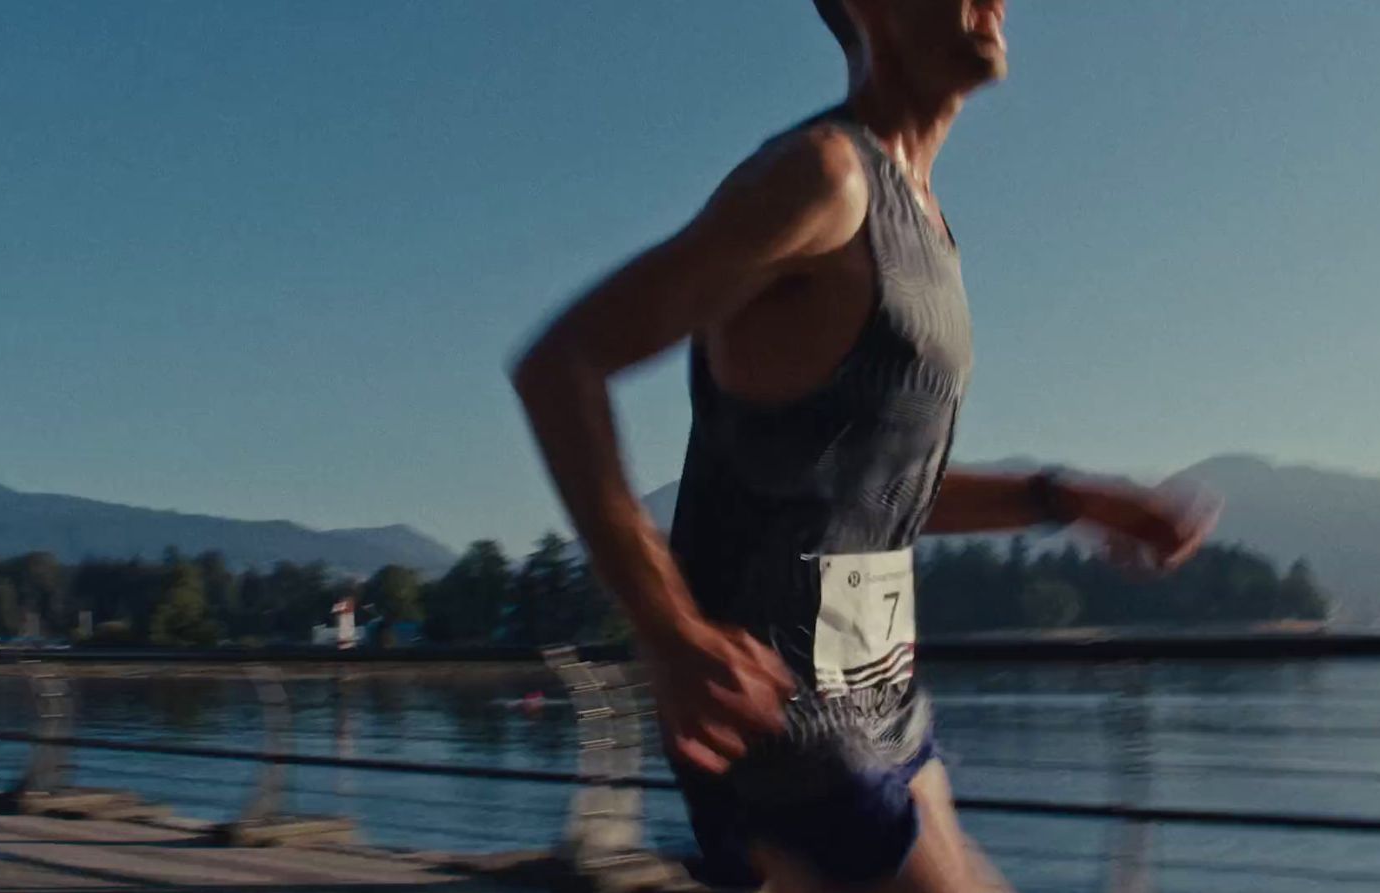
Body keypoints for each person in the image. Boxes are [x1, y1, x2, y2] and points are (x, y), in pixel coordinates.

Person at [511, 1, 1218, 890]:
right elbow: (561, 362)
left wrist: (1069, 498)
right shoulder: (823, 180)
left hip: (882, 701)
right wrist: (669, 630)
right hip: (779, 716)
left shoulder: (923, 221)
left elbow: (875, 493)